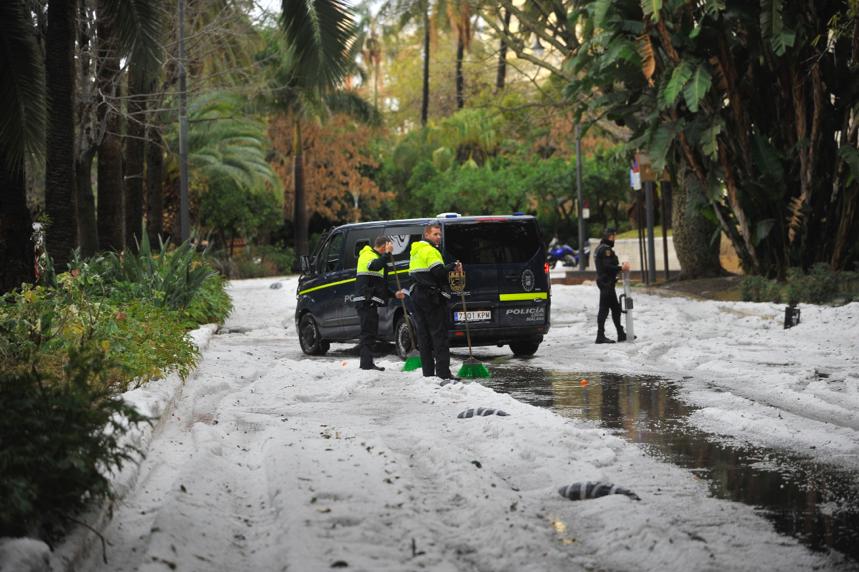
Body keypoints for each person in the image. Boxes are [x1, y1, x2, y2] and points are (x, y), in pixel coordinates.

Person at [408, 222, 462, 379]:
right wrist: (453, 266)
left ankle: (428, 373)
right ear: (427, 235)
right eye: (435, 234)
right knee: (439, 336)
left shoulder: (415, 251)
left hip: (417, 295)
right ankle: (444, 374)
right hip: (431, 297)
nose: (439, 237)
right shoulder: (430, 251)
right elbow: (438, 272)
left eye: (439, 234)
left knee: (424, 336)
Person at [354, 236, 406, 370]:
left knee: (371, 333)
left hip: (370, 302)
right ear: (384, 246)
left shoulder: (377, 258)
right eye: (389, 247)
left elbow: (380, 284)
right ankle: (366, 364)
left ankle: (367, 363)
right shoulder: (367, 255)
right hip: (365, 301)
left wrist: (394, 294)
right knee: (367, 333)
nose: (390, 250)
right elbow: (374, 266)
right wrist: (388, 254)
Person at [594, 228, 630, 344]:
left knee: (615, 309)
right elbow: (607, 266)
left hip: (607, 282)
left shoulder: (600, 247)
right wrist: (621, 268)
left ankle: (620, 333)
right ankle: (600, 336)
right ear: (610, 237)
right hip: (606, 284)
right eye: (614, 237)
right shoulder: (605, 249)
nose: (615, 239)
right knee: (604, 310)